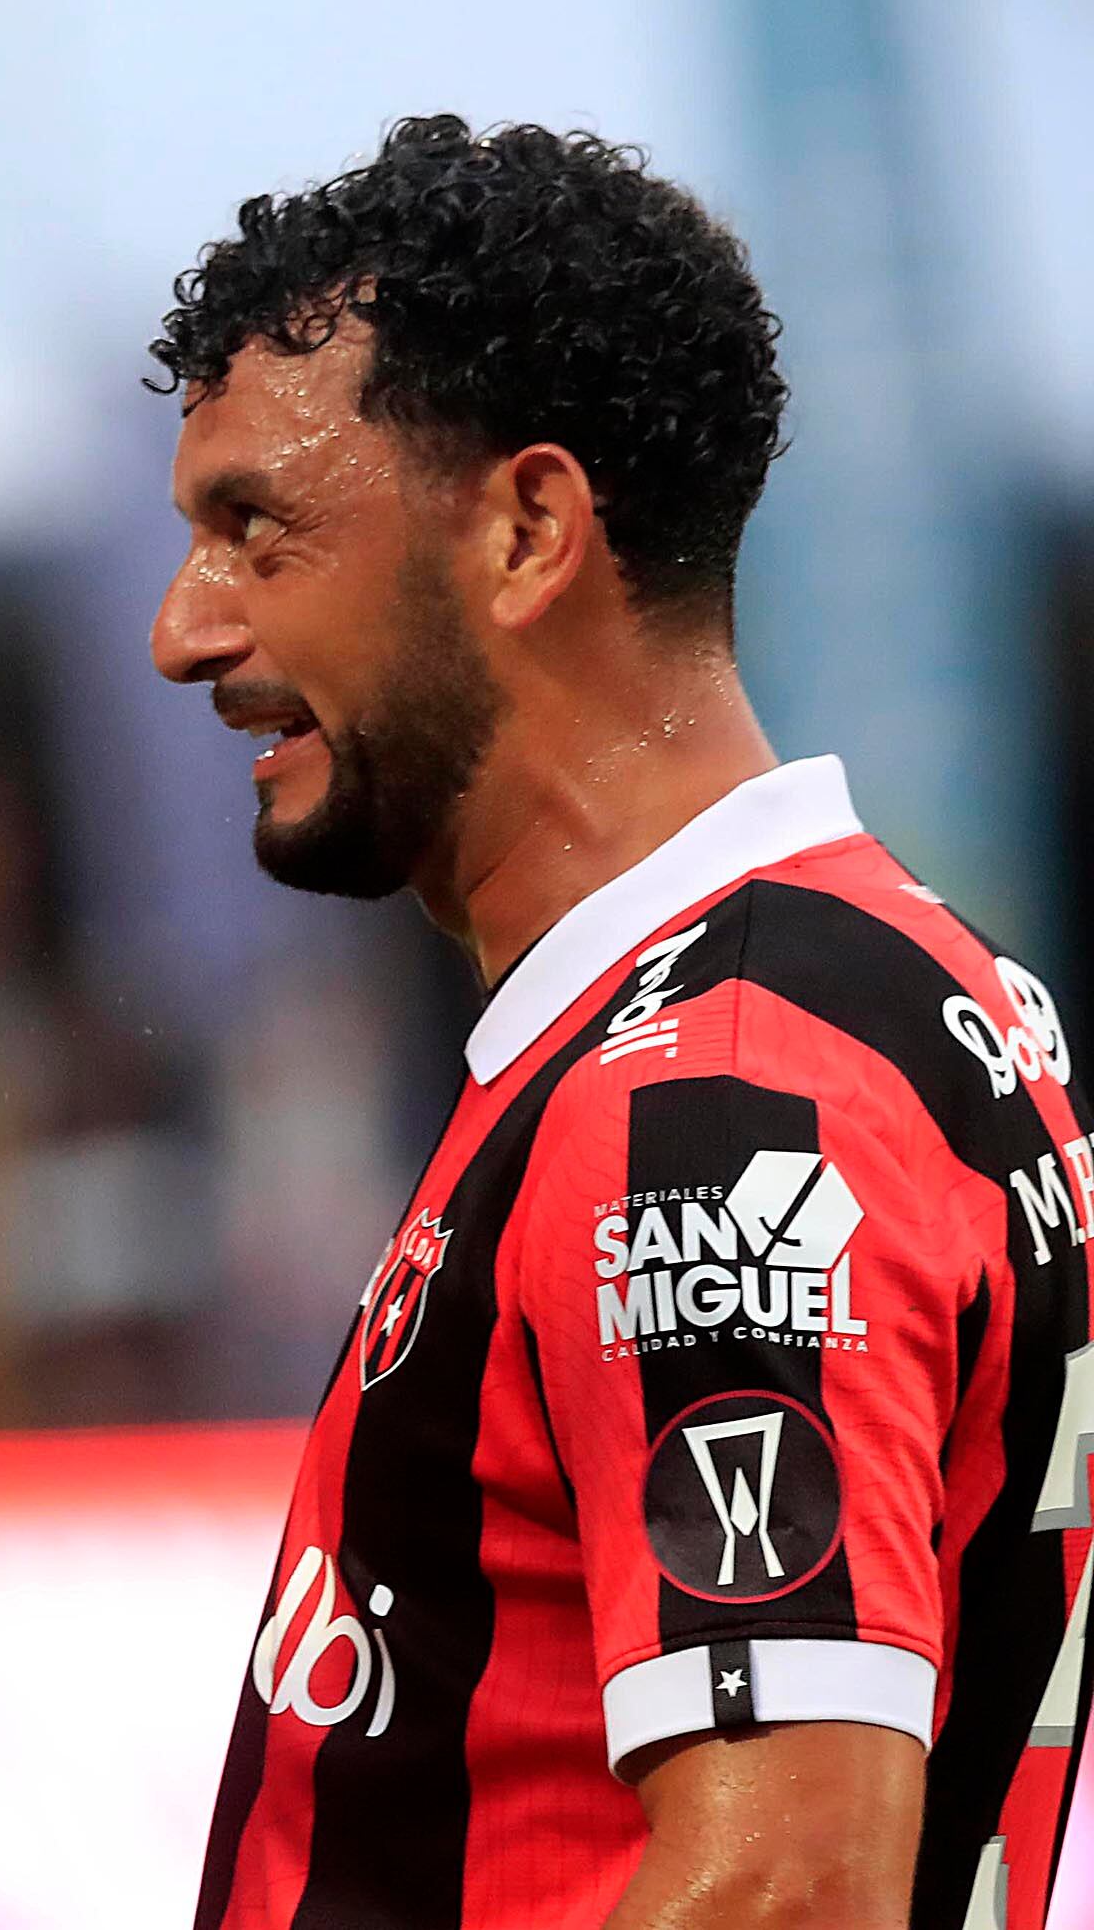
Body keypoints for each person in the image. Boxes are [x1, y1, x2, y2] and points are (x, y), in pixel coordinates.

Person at [151, 118, 1089, 1929]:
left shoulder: (719, 1095)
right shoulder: (873, 991)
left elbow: (786, 1890)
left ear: (526, 531)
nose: (184, 629)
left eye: (255, 531)